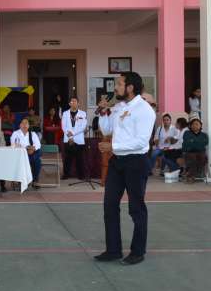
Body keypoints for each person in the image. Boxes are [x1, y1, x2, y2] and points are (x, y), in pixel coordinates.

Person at [96, 72, 155, 266]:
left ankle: (138, 252)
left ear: (130, 87)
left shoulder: (144, 110)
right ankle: (113, 250)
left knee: (136, 208)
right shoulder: (119, 107)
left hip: (136, 162)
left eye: (119, 84)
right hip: (118, 162)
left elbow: (141, 141)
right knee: (109, 205)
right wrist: (104, 112)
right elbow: (106, 130)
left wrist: (113, 147)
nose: (116, 88)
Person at [11, 118, 42, 188]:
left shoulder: (33, 134)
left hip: (32, 153)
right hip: (21, 155)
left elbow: (38, 145)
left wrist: (32, 149)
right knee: (35, 160)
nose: (24, 125)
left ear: (28, 125)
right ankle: (29, 180)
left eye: (26, 123)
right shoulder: (15, 133)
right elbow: (14, 144)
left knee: (37, 158)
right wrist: (27, 148)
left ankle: (34, 180)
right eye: (23, 123)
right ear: (20, 125)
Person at [61, 97, 87, 179]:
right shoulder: (65, 113)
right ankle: (66, 174)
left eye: (75, 101)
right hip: (68, 139)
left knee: (80, 158)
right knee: (67, 158)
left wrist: (72, 134)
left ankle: (81, 175)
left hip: (79, 139)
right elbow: (63, 126)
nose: (74, 103)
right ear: (69, 103)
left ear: (78, 103)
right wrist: (69, 135)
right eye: (72, 101)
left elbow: (83, 127)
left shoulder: (83, 113)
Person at [182, 118, 208, 183]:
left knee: (203, 157)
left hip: (200, 152)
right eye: (193, 124)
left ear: (200, 126)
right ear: (190, 126)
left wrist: (193, 142)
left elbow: (204, 143)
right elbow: (187, 143)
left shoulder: (204, 135)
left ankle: (192, 174)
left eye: (197, 124)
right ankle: (190, 176)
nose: (195, 126)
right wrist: (198, 143)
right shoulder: (186, 133)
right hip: (188, 152)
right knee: (192, 157)